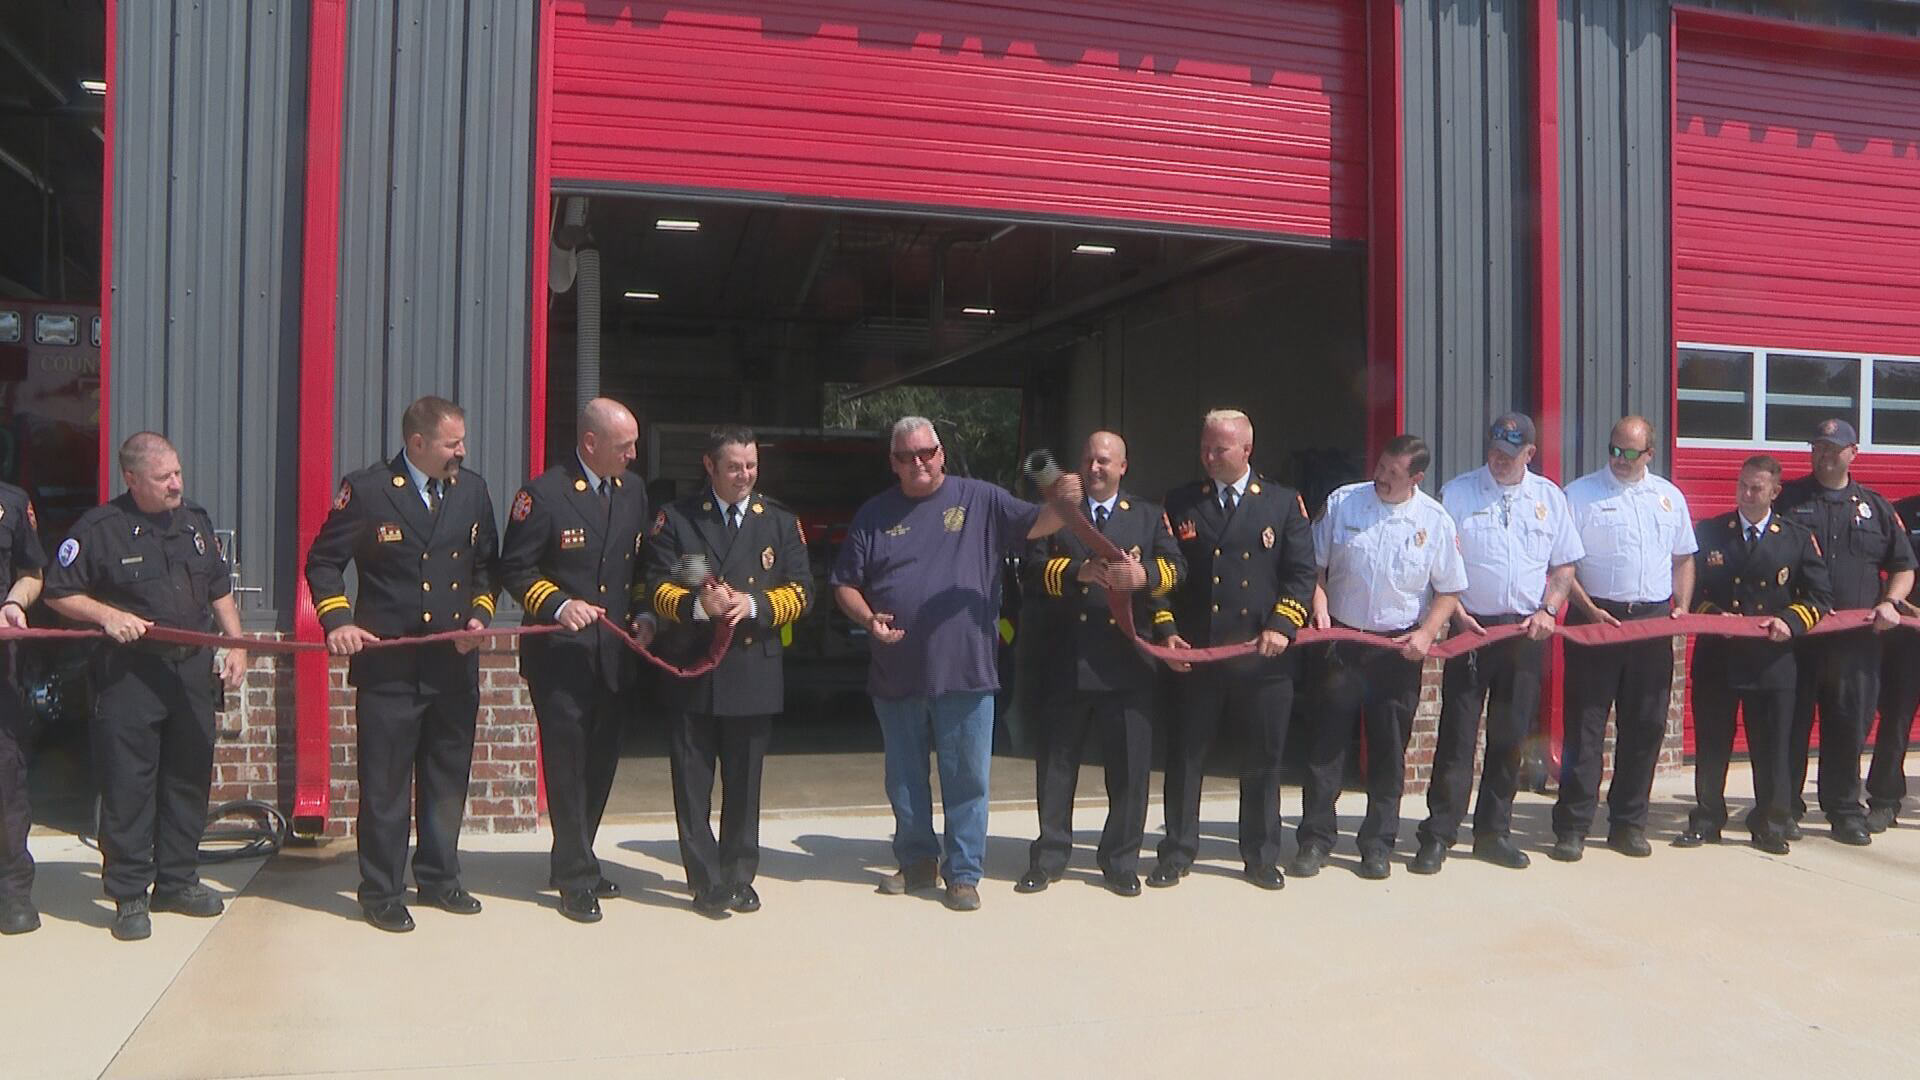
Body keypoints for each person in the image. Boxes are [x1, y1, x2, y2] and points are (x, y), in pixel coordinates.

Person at [830, 416, 1078, 912]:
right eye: (906, 456)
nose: (918, 463)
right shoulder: (874, 514)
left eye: (926, 453)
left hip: (966, 667)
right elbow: (844, 584)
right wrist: (866, 617)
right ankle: (918, 861)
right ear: (893, 463)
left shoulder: (981, 499)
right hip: (895, 668)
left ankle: (963, 873)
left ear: (941, 453)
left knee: (967, 777)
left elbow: (1039, 524)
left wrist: (1064, 502)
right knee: (904, 778)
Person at [304, 396, 501, 933]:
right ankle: (382, 890)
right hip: (389, 668)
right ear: (417, 443)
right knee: (386, 787)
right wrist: (338, 620)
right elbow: (323, 562)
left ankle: (439, 877)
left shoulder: (473, 490)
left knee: (445, 780)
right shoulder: (368, 491)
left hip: (452, 667)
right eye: (451, 442)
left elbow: (486, 570)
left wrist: (479, 622)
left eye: (462, 441)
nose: (462, 451)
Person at [44, 433, 249, 940]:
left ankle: (177, 880)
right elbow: (57, 591)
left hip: (190, 671)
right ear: (132, 479)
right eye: (164, 478)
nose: (176, 484)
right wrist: (108, 615)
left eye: (178, 473)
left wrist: (238, 645)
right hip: (130, 675)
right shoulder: (100, 530)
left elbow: (220, 587)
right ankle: (130, 894)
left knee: (188, 777)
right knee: (129, 785)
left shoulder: (195, 523)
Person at [642, 426, 811, 919]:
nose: (745, 475)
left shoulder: (778, 521)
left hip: (752, 668)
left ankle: (739, 875)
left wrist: (753, 603)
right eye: (735, 466)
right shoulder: (675, 519)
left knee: (744, 784)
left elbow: (803, 591)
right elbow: (654, 584)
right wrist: (698, 605)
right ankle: (705, 880)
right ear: (710, 466)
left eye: (752, 466)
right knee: (693, 784)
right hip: (692, 665)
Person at [497, 398, 651, 923]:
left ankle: (576, 856)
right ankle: (575, 876)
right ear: (590, 443)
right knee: (566, 766)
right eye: (623, 444)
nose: (633, 453)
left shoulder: (633, 491)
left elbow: (639, 566)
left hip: (613, 653)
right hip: (561, 656)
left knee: (601, 763)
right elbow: (515, 569)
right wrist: (559, 604)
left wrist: (648, 615)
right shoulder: (543, 495)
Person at [1152, 409, 1315, 890]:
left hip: (1261, 656)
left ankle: (1262, 854)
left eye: (1218, 449)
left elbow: (1301, 574)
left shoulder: (1284, 504)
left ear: (1246, 450)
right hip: (1197, 654)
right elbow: (1164, 575)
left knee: (1263, 757)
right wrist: (1166, 631)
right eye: (1204, 447)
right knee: (1186, 757)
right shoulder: (1181, 502)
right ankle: (1177, 850)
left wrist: (1283, 623)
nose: (1208, 455)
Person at [1014, 431, 1182, 898]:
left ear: (1123, 467)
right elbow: (1029, 570)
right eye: (1088, 459)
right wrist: (1077, 572)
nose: (1095, 468)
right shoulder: (1058, 517)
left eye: (1105, 461)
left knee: (1129, 769)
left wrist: (1143, 574)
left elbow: (1177, 568)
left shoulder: (1147, 515)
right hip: (1066, 658)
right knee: (1056, 766)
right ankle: (1048, 857)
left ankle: (1120, 860)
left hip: (1127, 664)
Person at [1414, 413, 1580, 874]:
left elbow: (1564, 568)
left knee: (1508, 738)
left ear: (1530, 453)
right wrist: (1457, 613)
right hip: (1470, 629)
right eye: (1493, 452)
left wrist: (1549, 610)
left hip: (1527, 634)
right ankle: (1439, 833)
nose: (1499, 462)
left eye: (1509, 455)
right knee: (1457, 736)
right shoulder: (1460, 493)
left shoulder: (1550, 499)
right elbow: (1441, 564)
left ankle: (1493, 832)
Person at [1298, 435, 1466, 881]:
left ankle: (1377, 844)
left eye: (1394, 474)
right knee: (1326, 746)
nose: (1382, 478)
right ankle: (1314, 839)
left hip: (1397, 650)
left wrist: (1427, 634)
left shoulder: (1434, 520)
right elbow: (1314, 565)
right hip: (1342, 640)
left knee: (1390, 751)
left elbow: (1449, 590)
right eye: (1381, 467)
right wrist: (1319, 606)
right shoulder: (1344, 503)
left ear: (1416, 477)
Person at [1552, 415, 1696, 861]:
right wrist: (1587, 608)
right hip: (1595, 618)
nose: (1619, 459)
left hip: (1651, 624)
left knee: (1646, 727)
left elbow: (1684, 559)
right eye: (1614, 449)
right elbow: (1561, 563)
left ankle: (1628, 824)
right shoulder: (1579, 495)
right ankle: (1573, 827)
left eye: (1630, 452)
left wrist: (1682, 608)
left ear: (1649, 454)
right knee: (1586, 727)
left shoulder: (1669, 499)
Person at [1675, 455, 1830, 854]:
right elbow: (1695, 594)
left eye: (1756, 488)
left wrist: (1791, 622)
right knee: (1711, 745)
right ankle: (1707, 818)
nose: (1746, 493)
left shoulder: (1795, 537)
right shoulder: (1711, 532)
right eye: (1742, 485)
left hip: (1772, 661)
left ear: (1775, 492)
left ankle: (1770, 823)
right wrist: (1715, 616)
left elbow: (1818, 597)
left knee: (1772, 748)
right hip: (1719, 658)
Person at [1775, 418, 1915, 845]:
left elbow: (1904, 566)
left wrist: (1890, 602)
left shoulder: (1875, 507)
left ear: (1853, 452)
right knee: (1790, 727)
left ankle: (1843, 809)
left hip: (1856, 644)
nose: (1824, 455)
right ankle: (1784, 808)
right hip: (1799, 640)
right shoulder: (1788, 500)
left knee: (1847, 726)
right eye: (1818, 447)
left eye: (1833, 448)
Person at [0, 480, 45, 935]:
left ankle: (13, 892)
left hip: (0, 667)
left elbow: (33, 572)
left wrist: (13, 602)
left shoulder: (10, 502)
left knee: (5, 781)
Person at [1866, 492, 1920, 832]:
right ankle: (1884, 801)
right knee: (1896, 720)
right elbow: (1877, 566)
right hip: (1909, 637)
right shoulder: (1902, 512)